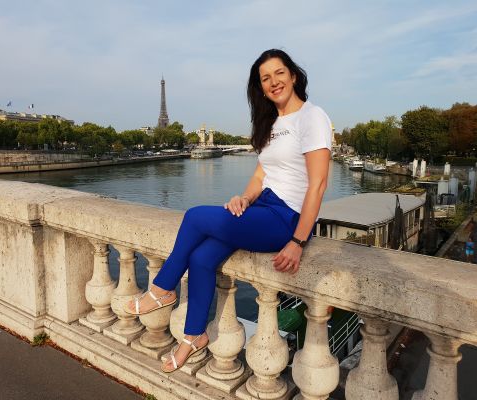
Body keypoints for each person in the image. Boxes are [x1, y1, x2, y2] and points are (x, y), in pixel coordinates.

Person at [124, 49, 332, 373]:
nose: (274, 82)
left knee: (195, 217)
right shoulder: (272, 123)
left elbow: (318, 185)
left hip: (285, 217)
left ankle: (162, 290)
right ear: (261, 88)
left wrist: (298, 241)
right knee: (201, 258)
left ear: (293, 75)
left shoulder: (312, 117)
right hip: (262, 208)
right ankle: (194, 336)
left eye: (279, 73)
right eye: (265, 78)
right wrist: (244, 198)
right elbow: (261, 176)